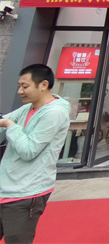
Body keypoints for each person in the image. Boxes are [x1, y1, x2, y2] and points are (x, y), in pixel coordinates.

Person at [0, 64, 70, 243]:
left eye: (25, 86)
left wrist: (10, 125)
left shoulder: (54, 113)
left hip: (27, 192)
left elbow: (29, 150)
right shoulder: (28, 108)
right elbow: (4, 120)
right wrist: (6, 123)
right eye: (19, 86)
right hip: (6, 187)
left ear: (43, 85)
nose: (20, 91)